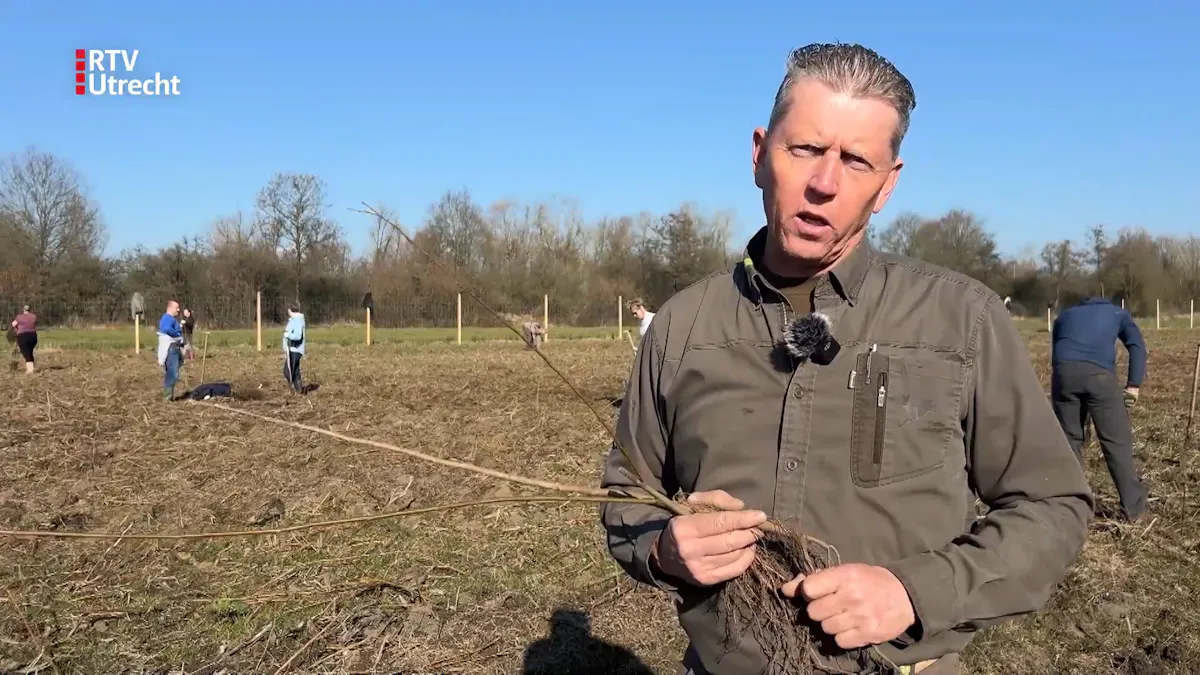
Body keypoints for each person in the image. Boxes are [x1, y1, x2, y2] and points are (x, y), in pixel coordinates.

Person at [598, 42, 1093, 675]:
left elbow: (1051, 506)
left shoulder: (962, 319)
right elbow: (627, 493)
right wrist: (663, 548)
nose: (824, 184)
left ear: (888, 184)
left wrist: (914, 592)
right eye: (805, 148)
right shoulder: (681, 326)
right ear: (759, 154)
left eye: (856, 160)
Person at [1050, 292, 1148, 523]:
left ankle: (1071, 509)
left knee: (1070, 441)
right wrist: (1133, 385)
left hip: (1063, 375)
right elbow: (1137, 346)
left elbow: (1058, 350)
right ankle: (1134, 510)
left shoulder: (1065, 316)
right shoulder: (1117, 313)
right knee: (1116, 441)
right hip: (1099, 376)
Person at [156, 300, 185, 401]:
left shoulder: (170, 319)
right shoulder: (168, 318)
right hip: (171, 347)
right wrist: (177, 333)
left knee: (173, 371)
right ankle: (167, 397)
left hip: (174, 346)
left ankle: (168, 395)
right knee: (172, 373)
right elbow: (167, 329)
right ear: (170, 308)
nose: (178, 310)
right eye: (177, 308)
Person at [282, 303, 306, 393]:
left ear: (290, 310)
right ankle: (299, 391)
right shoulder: (294, 320)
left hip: (295, 350)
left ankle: (292, 390)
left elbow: (298, 336)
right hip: (292, 350)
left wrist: (288, 335)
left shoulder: (297, 321)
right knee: (295, 371)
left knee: (287, 371)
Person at [11, 305, 38, 374]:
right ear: (30, 309)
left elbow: (13, 324)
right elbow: (34, 324)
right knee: (29, 351)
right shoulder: (34, 316)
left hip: (23, 336)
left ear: (23, 310)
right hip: (33, 336)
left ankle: (30, 370)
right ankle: (32, 367)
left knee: (26, 352)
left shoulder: (19, 317)